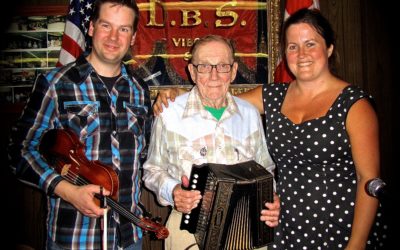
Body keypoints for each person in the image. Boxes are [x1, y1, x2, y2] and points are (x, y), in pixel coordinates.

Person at [152, 9, 384, 249]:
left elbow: (368, 179)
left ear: (329, 48)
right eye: (292, 46)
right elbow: (221, 95)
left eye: (310, 44)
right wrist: (178, 95)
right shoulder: (273, 96)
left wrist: (356, 244)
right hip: (279, 223)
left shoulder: (354, 104)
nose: (301, 54)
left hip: (336, 223)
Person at [8, 0, 152, 249]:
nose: (114, 37)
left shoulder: (140, 90)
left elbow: (145, 157)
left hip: (129, 237)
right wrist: (67, 191)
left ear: (133, 37)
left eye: (124, 29)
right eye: (106, 25)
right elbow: (19, 152)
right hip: (74, 237)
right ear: (92, 28)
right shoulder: (55, 83)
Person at [142, 35, 280, 250]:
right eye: (204, 66)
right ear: (192, 72)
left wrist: (272, 198)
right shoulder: (169, 113)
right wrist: (173, 191)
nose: (214, 75)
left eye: (222, 66)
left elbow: (267, 169)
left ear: (233, 71)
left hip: (247, 228)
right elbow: (152, 170)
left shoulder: (250, 114)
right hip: (188, 231)